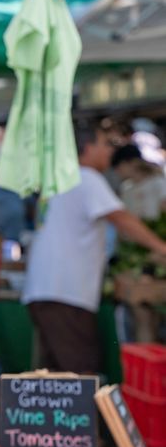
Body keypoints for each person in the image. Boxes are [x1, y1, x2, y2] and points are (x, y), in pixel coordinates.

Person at [22, 119, 166, 374]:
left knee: (57, 377)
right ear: (87, 147)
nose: (112, 150)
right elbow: (121, 219)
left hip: (50, 289)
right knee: (80, 375)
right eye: (106, 143)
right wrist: (162, 248)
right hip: (64, 292)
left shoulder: (62, 177)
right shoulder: (86, 177)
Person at [111, 143, 166, 221]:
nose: (117, 171)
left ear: (132, 162)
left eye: (119, 166)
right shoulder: (126, 189)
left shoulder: (159, 183)